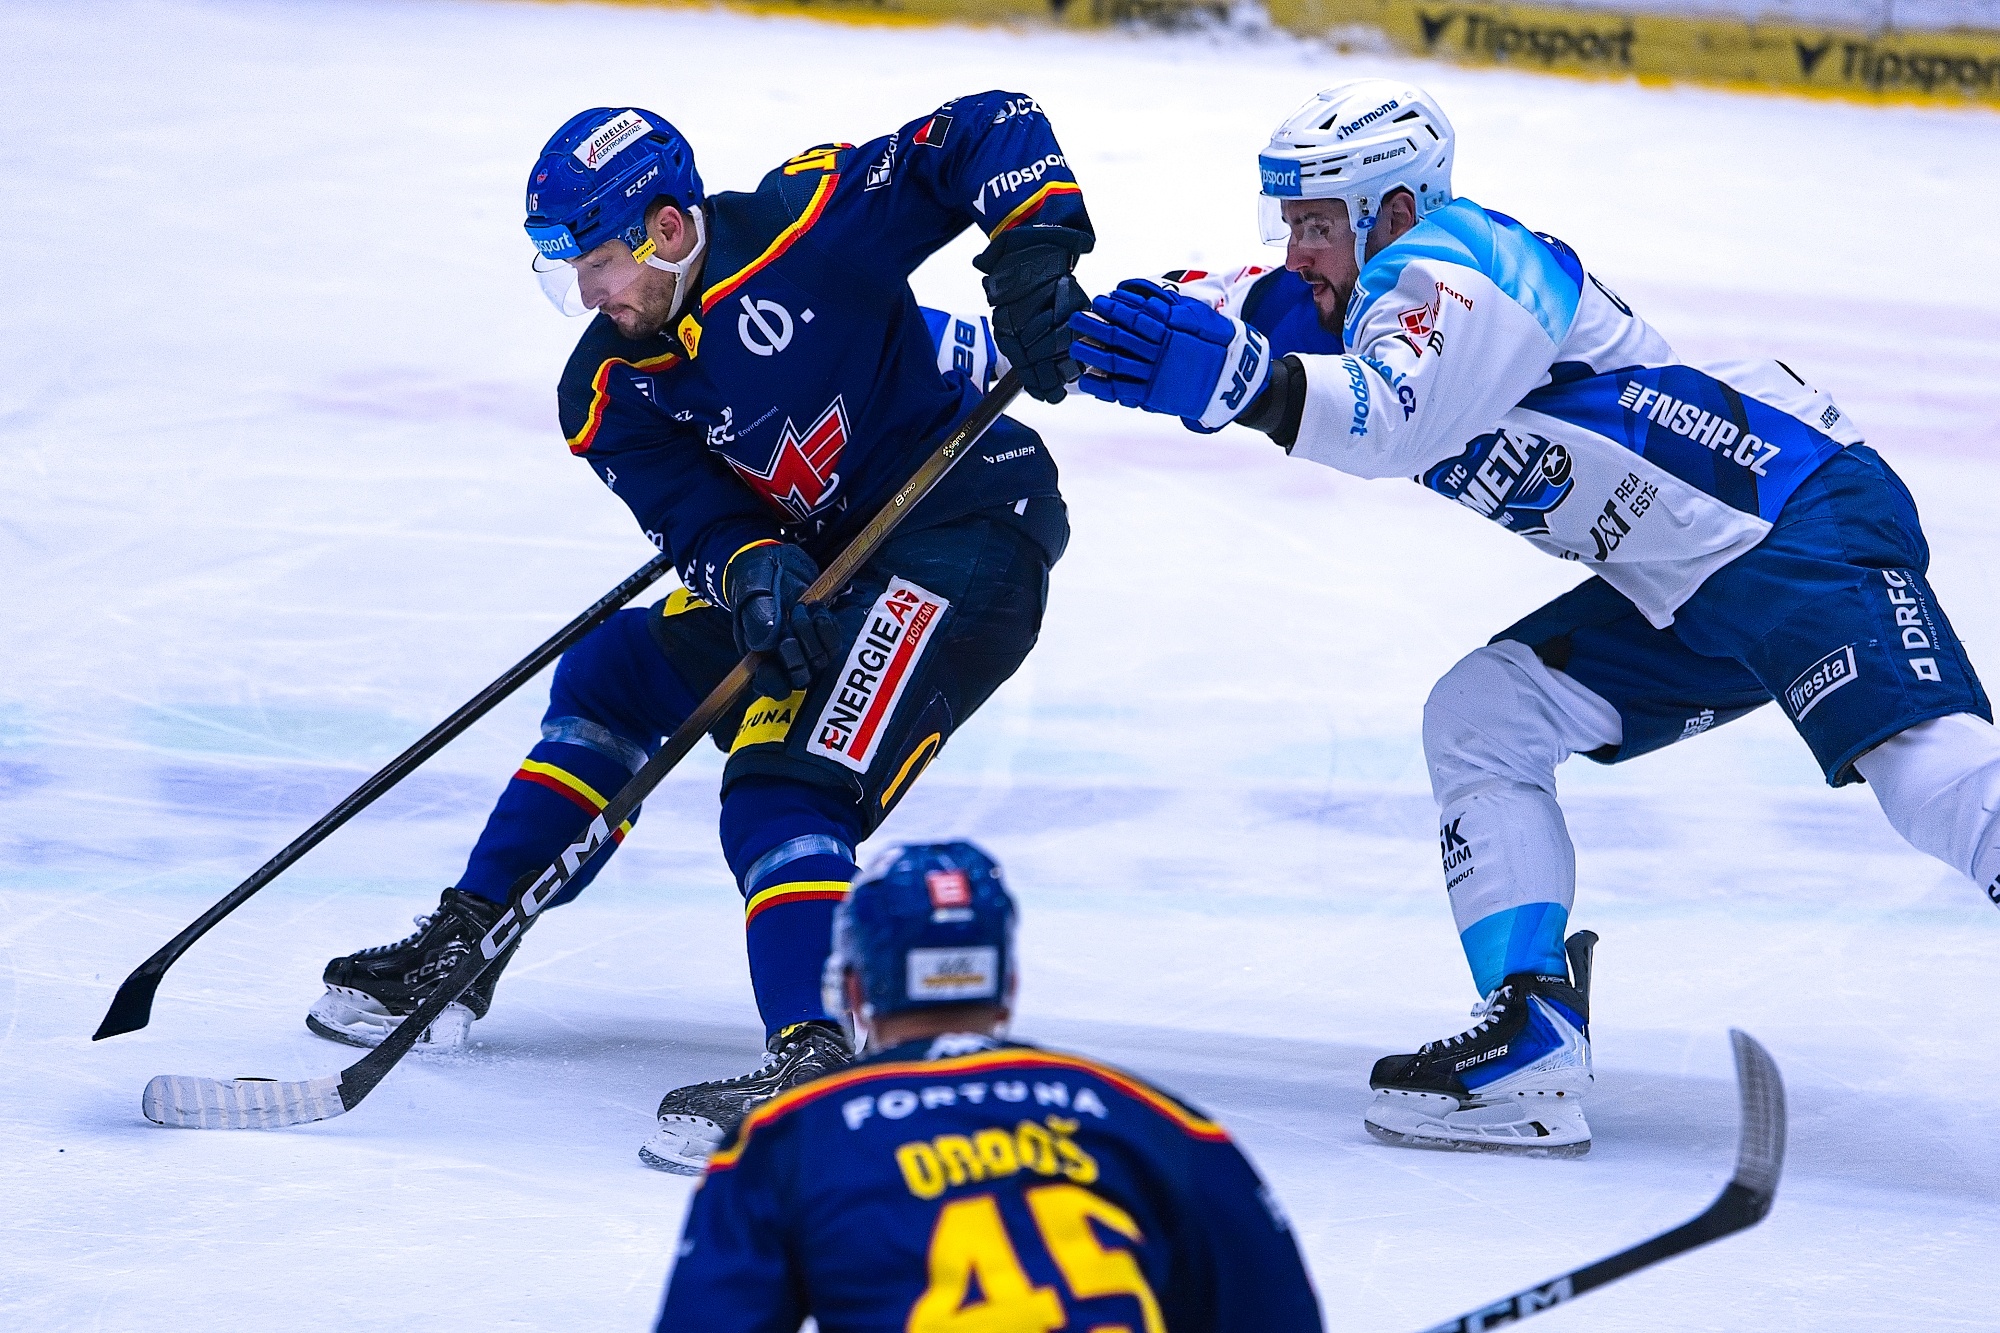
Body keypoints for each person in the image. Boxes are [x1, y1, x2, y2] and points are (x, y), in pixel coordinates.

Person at [1069, 79, 2000, 1157]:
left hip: (1785, 518)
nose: (1295, 252)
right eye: (1290, 223)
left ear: (1394, 211)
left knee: (1928, 776)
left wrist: (1244, 386)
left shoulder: (1470, 263)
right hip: (1679, 584)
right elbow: (1209, 309)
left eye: (1316, 225)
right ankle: (1532, 1035)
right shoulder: (1341, 290)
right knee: (1483, 716)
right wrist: (1055, 337)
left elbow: (1385, 421)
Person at [305, 95, 1096, 1174]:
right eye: (571, 270)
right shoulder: (607, 387)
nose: (590, 293)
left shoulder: (808, 223)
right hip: (827, 560)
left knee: (786, 774)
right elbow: (698, 519)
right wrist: (746, 565)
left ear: (668, 228)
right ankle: (468, 941)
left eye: (599, 262)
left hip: (966, 533)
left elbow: (989, 126)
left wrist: (1032, 257)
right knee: (614, 674)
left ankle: (818, 1055)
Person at [654, 840, 1324, 1332]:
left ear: (855, 990)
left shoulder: (789, 1137)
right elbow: (1279, 1311)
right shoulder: (1159, 1122)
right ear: (1008, 985)